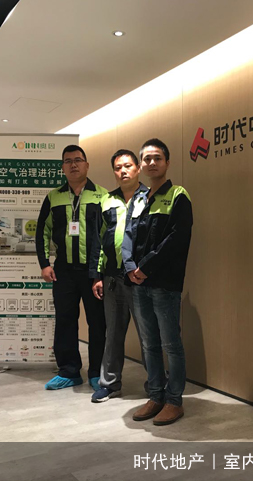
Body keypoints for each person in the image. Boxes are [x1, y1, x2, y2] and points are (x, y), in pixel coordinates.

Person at [122, 138, 193, 425]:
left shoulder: (178, 195)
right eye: (147, 159)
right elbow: (127, 236)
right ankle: (155, 395)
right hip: (138, 283)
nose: (152, 163)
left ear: (167, 163)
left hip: (164, 283)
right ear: (141, 166)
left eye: (157, 158)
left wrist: (146, 267)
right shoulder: (138, 199)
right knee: (149, 343)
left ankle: (174, 400)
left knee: (170, 344)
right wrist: (130, 268)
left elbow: (177, 238)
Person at [35, 144, 107, 390]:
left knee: (98, 323)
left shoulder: (102, 196)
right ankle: (69, 371)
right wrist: (44, 264)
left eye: (78, 160)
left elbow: (108, 235)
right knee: (65, 320)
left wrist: (100, 272)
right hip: (63, 271)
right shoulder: (53, 197)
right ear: (62, 168)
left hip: (93, 272)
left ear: (87, 165)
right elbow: (42, 231)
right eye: (68, 161)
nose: (73, 164)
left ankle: (97, 372)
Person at [89, 149, 148, 403]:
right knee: (112, 334)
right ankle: (110, 384)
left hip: (142, 279)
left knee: (148, 335)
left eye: (127, 166)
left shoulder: (150, 197)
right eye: (117, 167)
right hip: (112, 279)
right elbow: (98, 241)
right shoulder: (106, 200)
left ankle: (156, 384)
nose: (122, 171)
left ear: (138, 168)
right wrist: (97, 276)